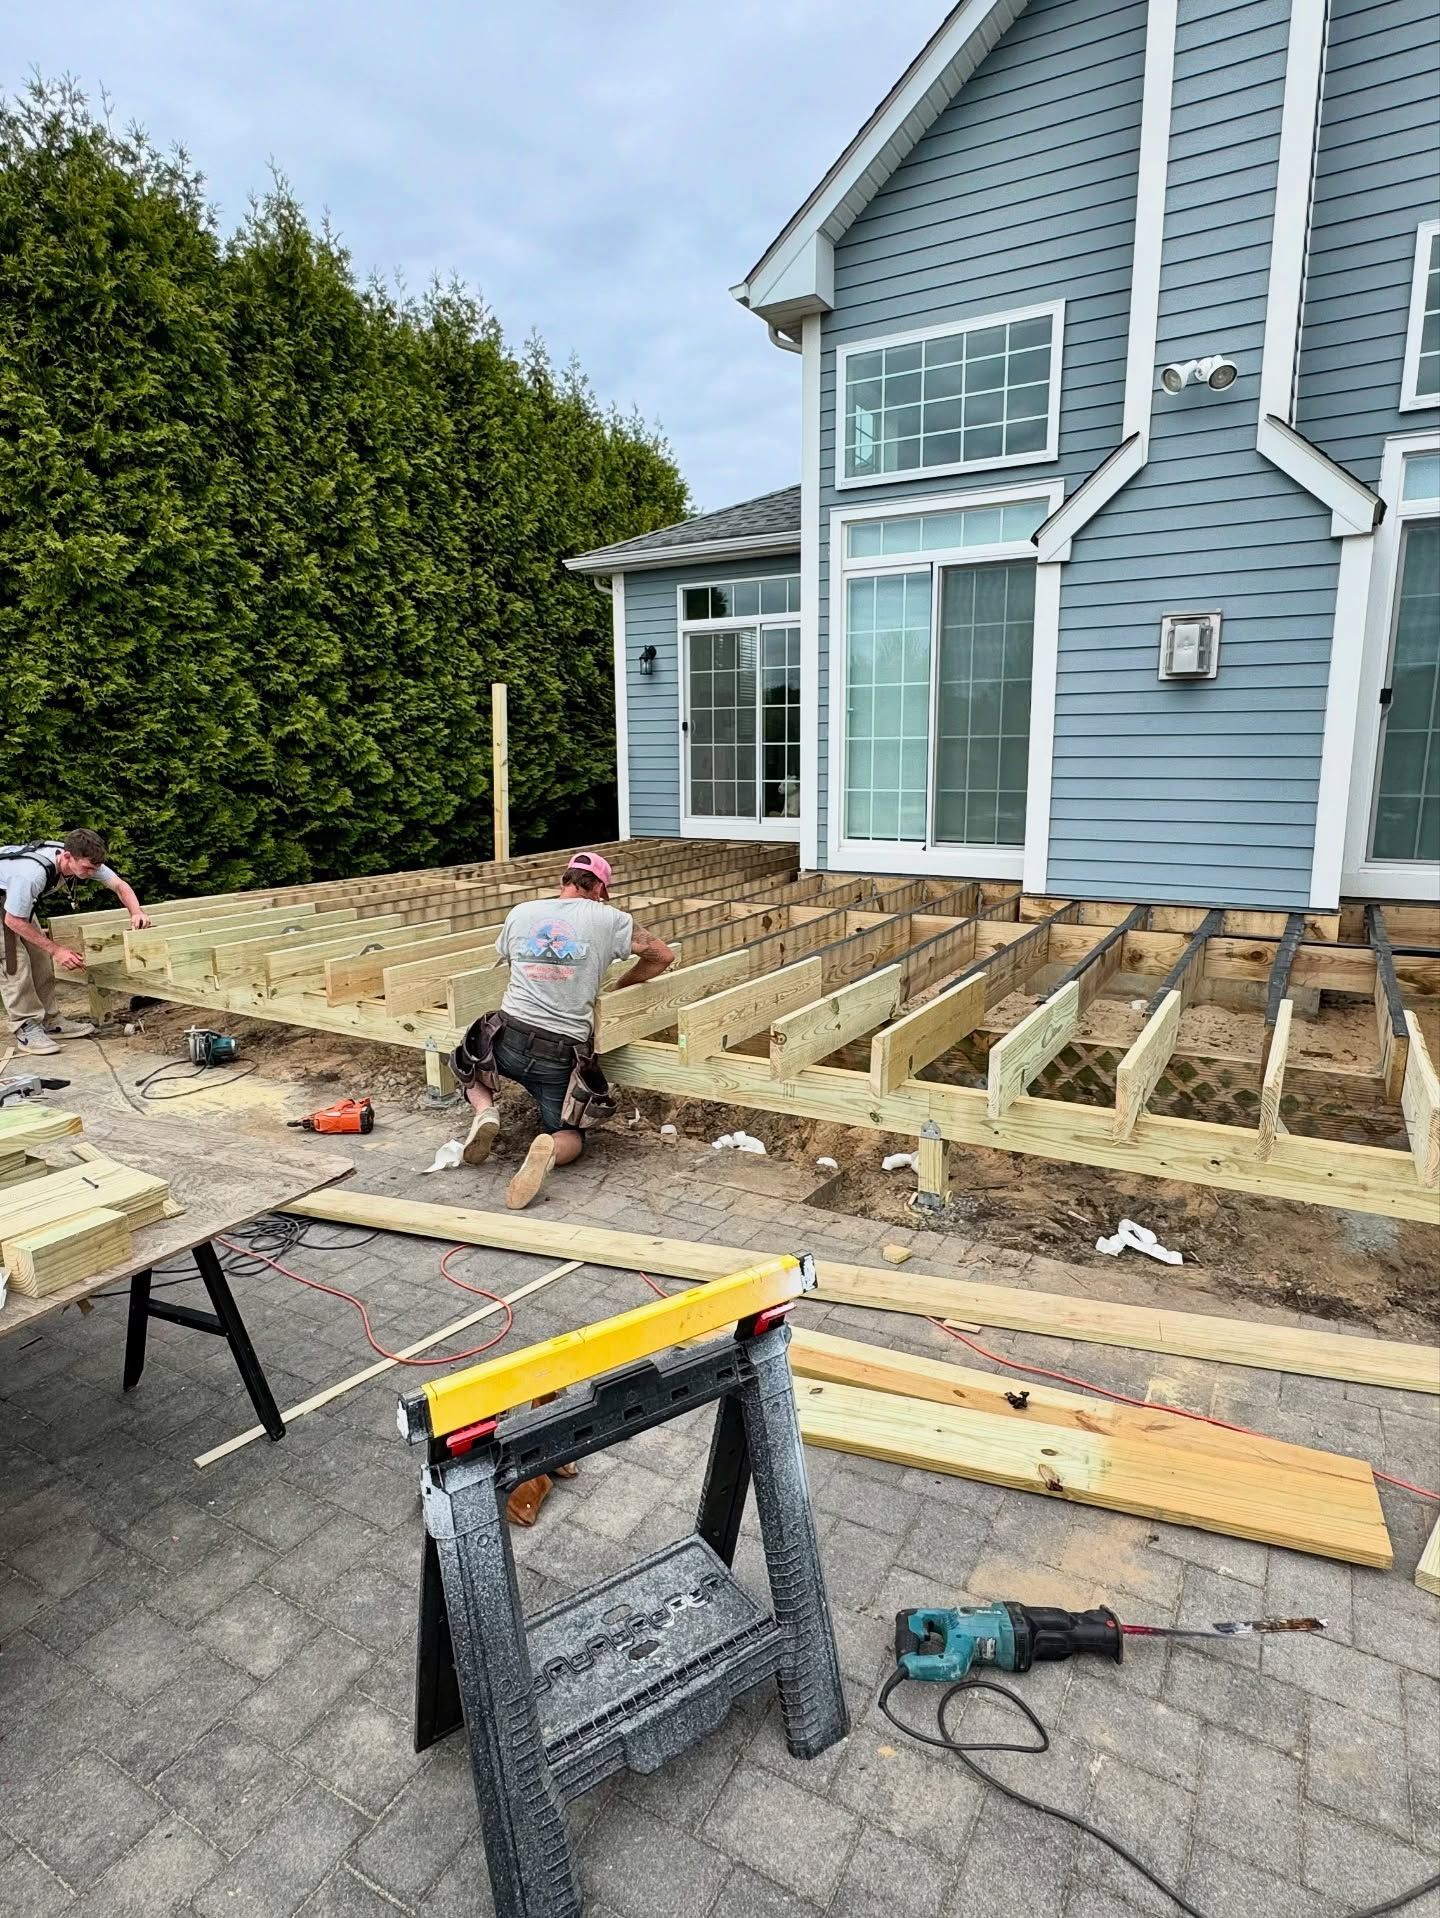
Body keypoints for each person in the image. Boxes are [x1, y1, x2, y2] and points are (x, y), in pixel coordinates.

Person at [450, 850, 674, 1211]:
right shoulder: (611, 919)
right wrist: (621, 986)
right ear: (600, 889)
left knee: (466, 1059)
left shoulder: (522, 912)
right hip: (560, 1051)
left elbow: (508, 957)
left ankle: (485, 1111)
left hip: (508, 1036)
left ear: (563, 881)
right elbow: (662, 956)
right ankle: (550, 1149)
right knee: (570, 1132)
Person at [1, 830, 152, 1056]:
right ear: (67, 856)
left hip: (11, 896)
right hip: (7, 902)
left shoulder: (85, 858)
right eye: (87, 868)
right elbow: (13, 920)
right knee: (14, 961)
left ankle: (50, 1020)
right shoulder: (31, 875)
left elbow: (119, 885)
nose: (91, 873)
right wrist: (57, 950)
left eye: (95, 868)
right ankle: (26, 1026)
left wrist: (136, 911)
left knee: (40, 957)